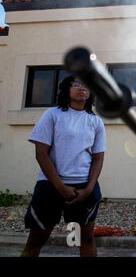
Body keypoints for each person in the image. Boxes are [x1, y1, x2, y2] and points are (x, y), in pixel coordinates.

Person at [22, 76, 106, 257]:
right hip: (51, 186)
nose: (81, 88)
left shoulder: (95, 121)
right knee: (38, 237)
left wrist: (89, 188)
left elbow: (98, 158)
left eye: (85, 84)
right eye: (76, 84)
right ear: (66, 89)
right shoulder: (52, 114)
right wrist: (60, 186)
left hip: (84, 188)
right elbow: (41, 153)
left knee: (87, 238)